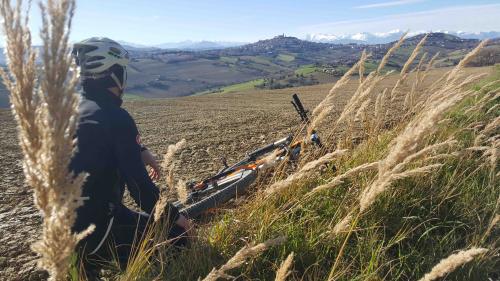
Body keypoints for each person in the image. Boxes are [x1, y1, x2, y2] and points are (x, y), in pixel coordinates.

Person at [69, 37, 192, 271]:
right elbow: (140, 189)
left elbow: (96, 146)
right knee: (178, 235)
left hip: (65, 231)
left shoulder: (74, 110)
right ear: (115, 74)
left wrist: (140, 151)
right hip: (96, 233)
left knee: (129, 217)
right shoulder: (115, 117)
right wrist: (176, 218)